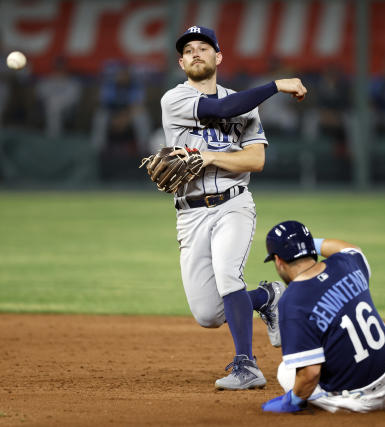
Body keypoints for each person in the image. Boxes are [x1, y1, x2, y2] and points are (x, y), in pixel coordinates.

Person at [159, 26, 307, 390]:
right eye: (189, 50)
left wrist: (207, 157)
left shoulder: (246, 104)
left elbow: (255, 161)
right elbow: (222, 108)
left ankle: (247, 366)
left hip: (233, 205)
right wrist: (277, 85)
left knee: (228, 276)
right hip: (190, 213)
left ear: (218, 57)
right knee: (208, 314)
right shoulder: (173, 99)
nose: (196, 53)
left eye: (204, 48)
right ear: (181, 62)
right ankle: (268, 297)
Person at [260, 220, 385, 413]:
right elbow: (350, 248)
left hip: (364, 398)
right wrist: (305, 243)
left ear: (278, 260)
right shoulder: (346, 263)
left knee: (286, 372)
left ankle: (371, 403)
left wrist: (292, 401)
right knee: (356, 309)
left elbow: (310, 373)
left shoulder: (293, 301)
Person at [35, 56, 81, 138]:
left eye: (61, 67)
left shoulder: (72, 82)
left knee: (54, 104)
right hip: (48, 106)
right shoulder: (47, 80)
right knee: (52, 104)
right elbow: (40, 94)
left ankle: (52, 133)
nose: (59, 69)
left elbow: (74, 99)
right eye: (58, 67)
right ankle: (54, 133)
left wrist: (59, 100)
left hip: (67, 109)